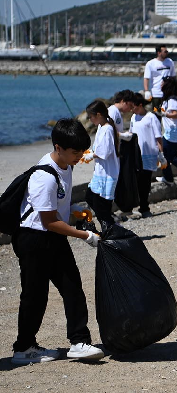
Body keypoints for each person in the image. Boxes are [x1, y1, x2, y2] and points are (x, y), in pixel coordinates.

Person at [11, 118, 105, 365]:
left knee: (72, 287)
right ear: (58, 147)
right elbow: (49, 221)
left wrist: (74, 210)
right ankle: (23, 349)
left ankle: (79, 342)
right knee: (35, 295)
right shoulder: (44, 176)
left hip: (53, 237)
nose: (79, 157)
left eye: (82, 152)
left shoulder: (66, 166)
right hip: (33, 239)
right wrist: (86, 236)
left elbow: (57, 206)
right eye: (75, 153)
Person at [83, 100, 120, 231]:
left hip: (107, 174)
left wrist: (91, 155)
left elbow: (105, 152)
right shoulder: (101, 127)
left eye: (91, 116)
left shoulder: (108, 129)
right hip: (100, 172)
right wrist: (91, 153)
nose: (90, 119)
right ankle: (109, 225)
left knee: (101, 206)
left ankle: (110, 228)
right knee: (90, 197)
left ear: (98, 115)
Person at [129, 93, 165, 219]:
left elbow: (158, 137)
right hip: (136, 155)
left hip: (149, 155)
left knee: (145, 183)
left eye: (133, 106)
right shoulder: (133, 117)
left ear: (140, 105)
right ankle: (136, 206)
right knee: (137, 182)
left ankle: (145, 207)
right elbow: (131, 134)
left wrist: (161, 154)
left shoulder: (151, 117)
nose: (131, 109)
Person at [159, 76, 177, 184]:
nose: (160, 85)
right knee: (170, 156)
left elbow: (175, 114)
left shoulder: (172, 100)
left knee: (165, 155)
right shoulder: (169, 99)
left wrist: (164, 114)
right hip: (172, 132)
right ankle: (170, 177)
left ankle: (169, 178)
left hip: (173, 132)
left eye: (162, 83)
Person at [143, 45, 176, 111]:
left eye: (167, 51)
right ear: (159, 53)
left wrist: (176, 89)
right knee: (156, 113)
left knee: (168, 113)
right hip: (156, 93)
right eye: (165, 51)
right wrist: (146, 91)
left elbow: (174, 76)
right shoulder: (150, 63)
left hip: (168, 93)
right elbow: (146, 78)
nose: (167, 53)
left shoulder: (170, 62)